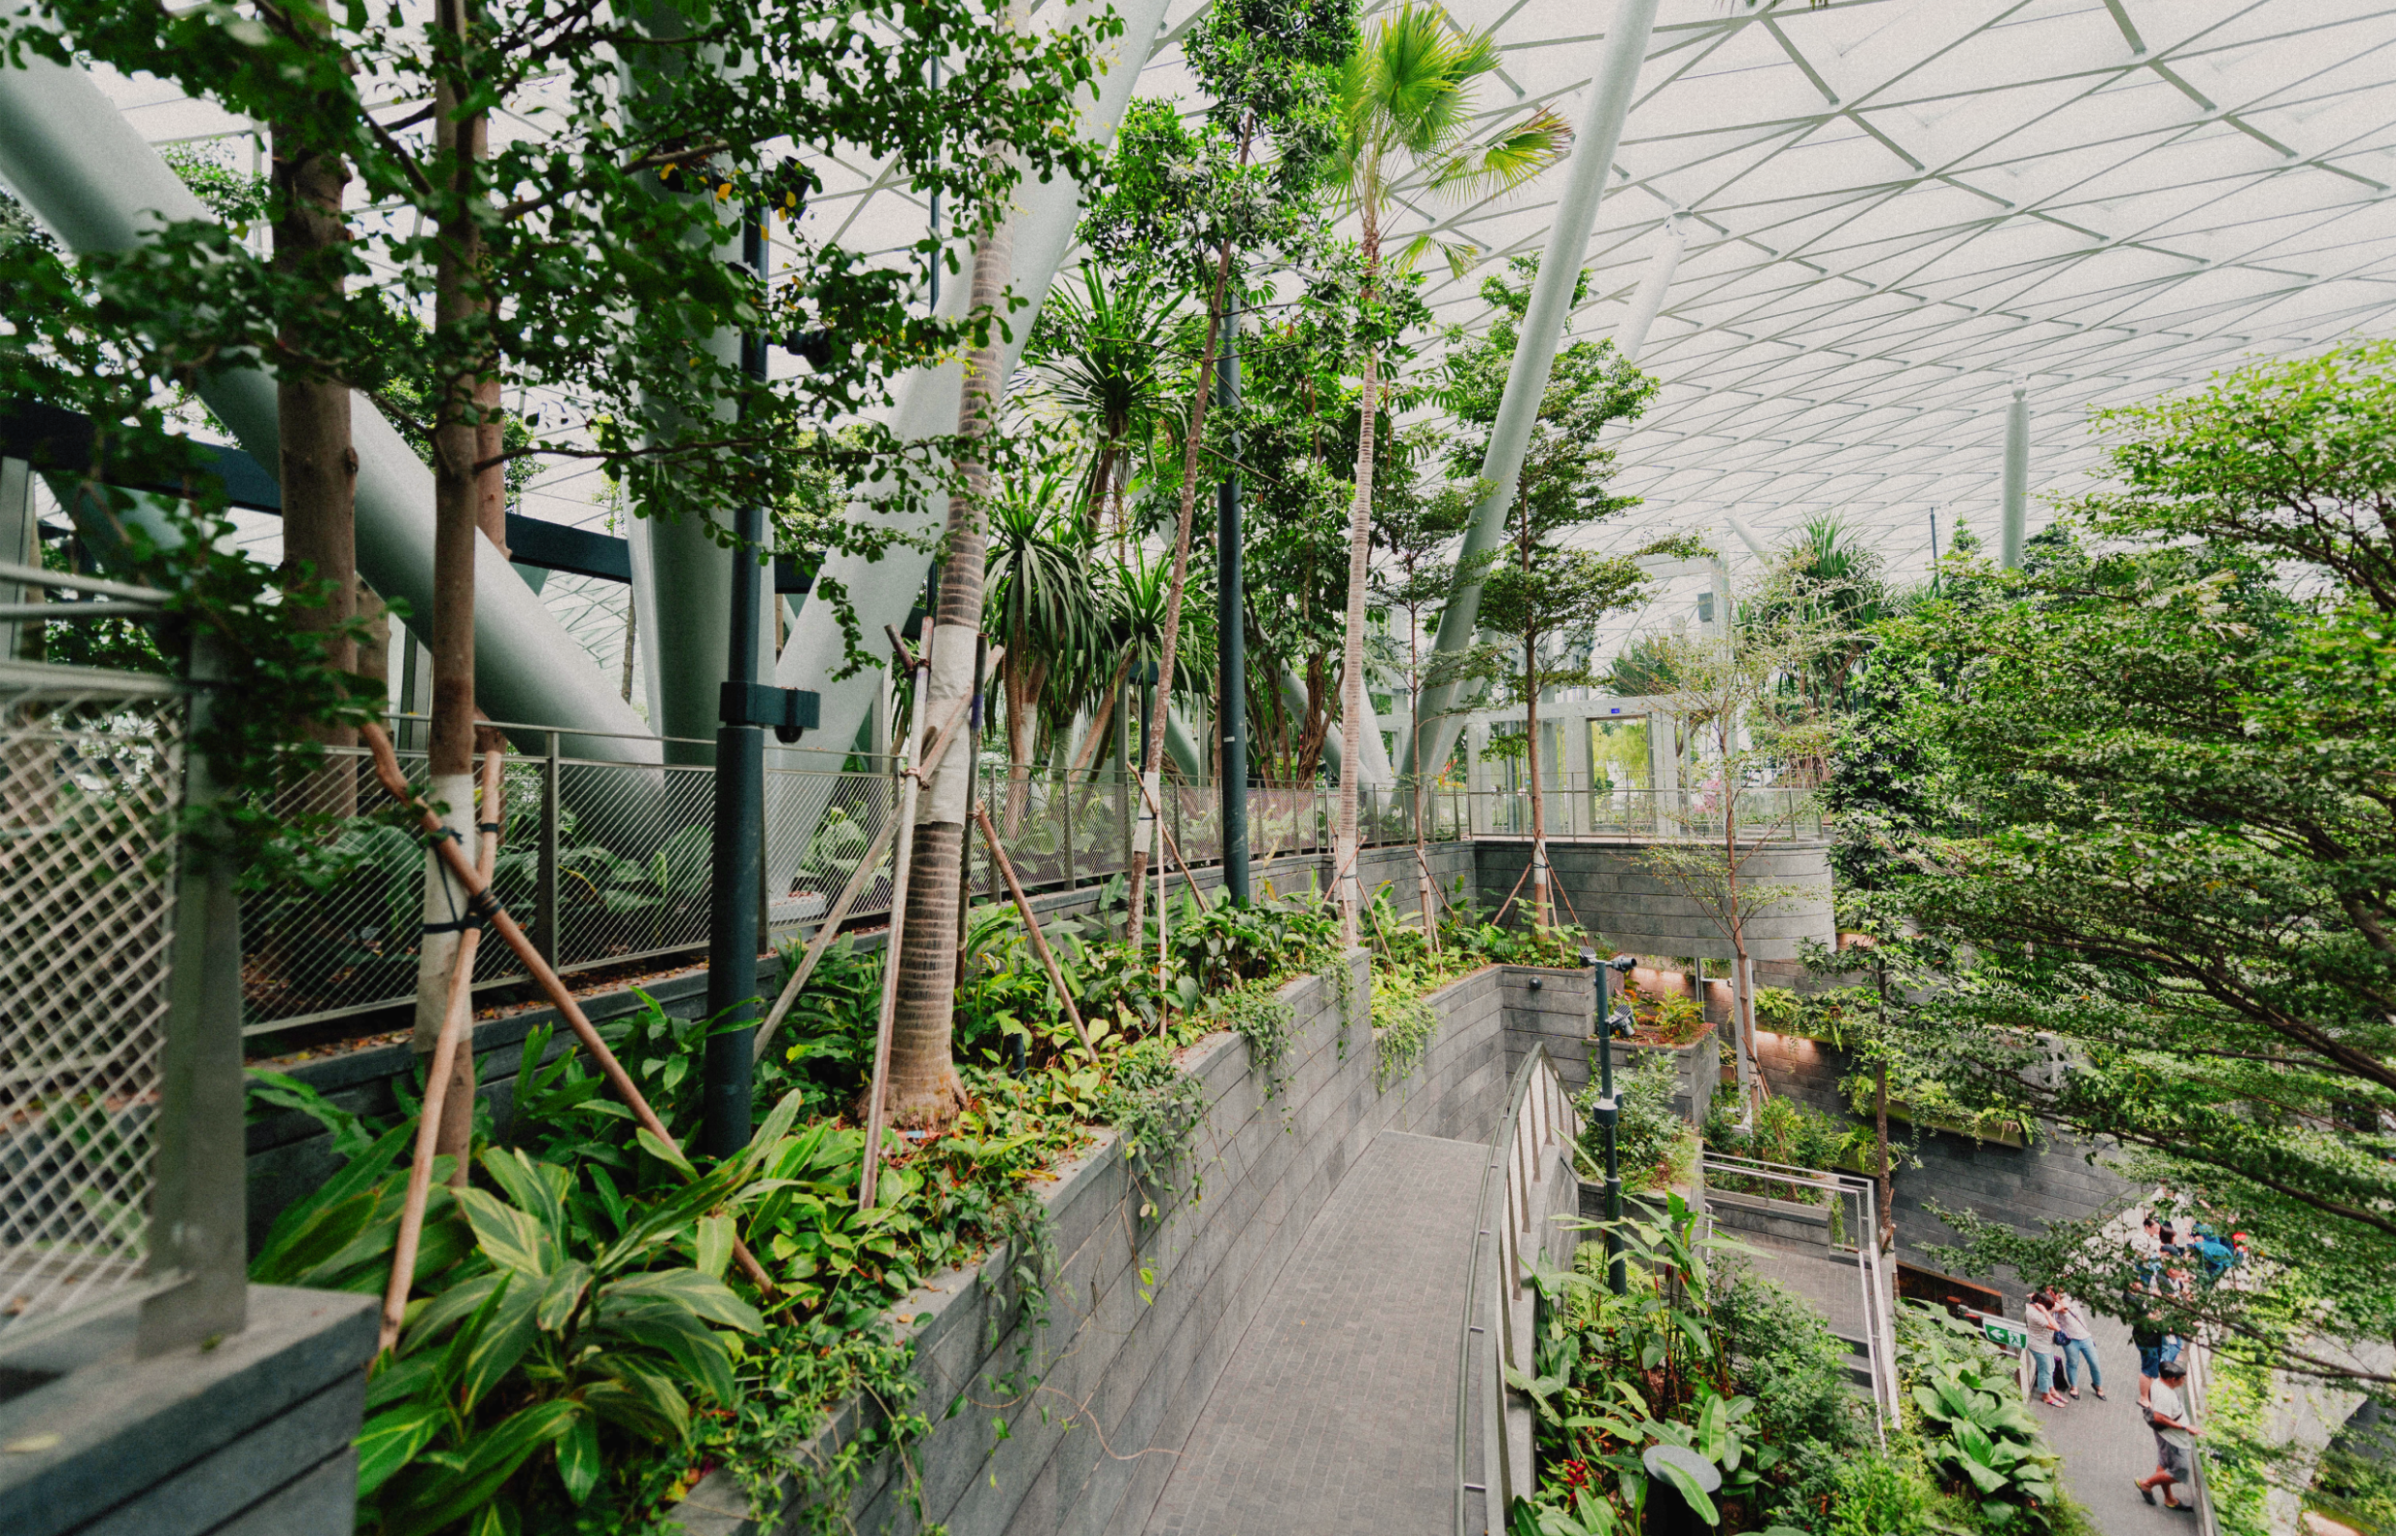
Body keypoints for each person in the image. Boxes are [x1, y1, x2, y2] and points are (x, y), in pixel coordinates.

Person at [2135, 1360, 2200, 1510]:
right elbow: (2159, 1417)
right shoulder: (2165, 1396)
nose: (2184, 1381)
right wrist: (2185, 1427)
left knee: (2165, 1464)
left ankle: (2169, 1499)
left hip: (2167, 1436)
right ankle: (2146, 1484)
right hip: (2173, 1439)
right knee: (2180, 1470)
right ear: (2172, 1379)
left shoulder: (2158, 1383)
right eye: (2182, 1379)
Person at [2053, 1291, 2105, 1400]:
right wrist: (2057, 1297)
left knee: (2094, 1362)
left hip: (2084, 1335)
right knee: (2072, 1362)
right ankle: (2074, 1386)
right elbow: (2063, 1309)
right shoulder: (2054, 1301)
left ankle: (2097, 1385)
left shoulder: (2073, 1295)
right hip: (2069, 1337)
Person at [2026, 1289, 2068, 1407]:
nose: (2051, 1308)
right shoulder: (2034, 1314)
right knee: (2045, 1370)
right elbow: (2056, 1327)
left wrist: (2056, 1298)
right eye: (2048, 1307)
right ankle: (2045, 1395)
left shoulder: (2044, 1304)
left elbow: (2061, 1308)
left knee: (2051, 1367)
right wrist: (2045, 1312)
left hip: (2047, 1343)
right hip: (2038, 1345)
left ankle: (2052, 1390)